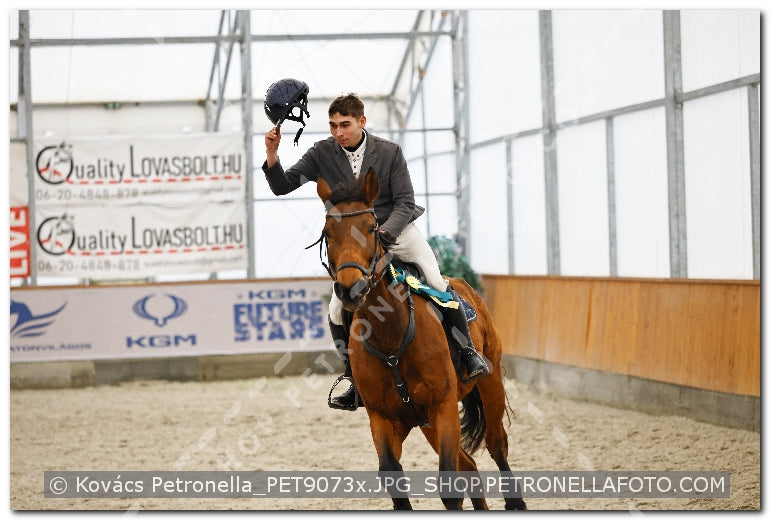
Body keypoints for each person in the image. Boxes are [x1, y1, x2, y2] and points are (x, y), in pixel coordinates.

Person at [262, 85, 489, 411]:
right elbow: (283, 186)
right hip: (354, 244)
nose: (338, 132)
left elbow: (405, 202)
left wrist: (384, 233)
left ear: (361, 121)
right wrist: (272, 154)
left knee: (438, 284)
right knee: (336, 309)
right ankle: (353, 377)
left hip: (399, 234)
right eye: (333, 126)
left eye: (345, 125)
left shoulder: (389, 152)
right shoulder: (320, 154)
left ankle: (467, 353)